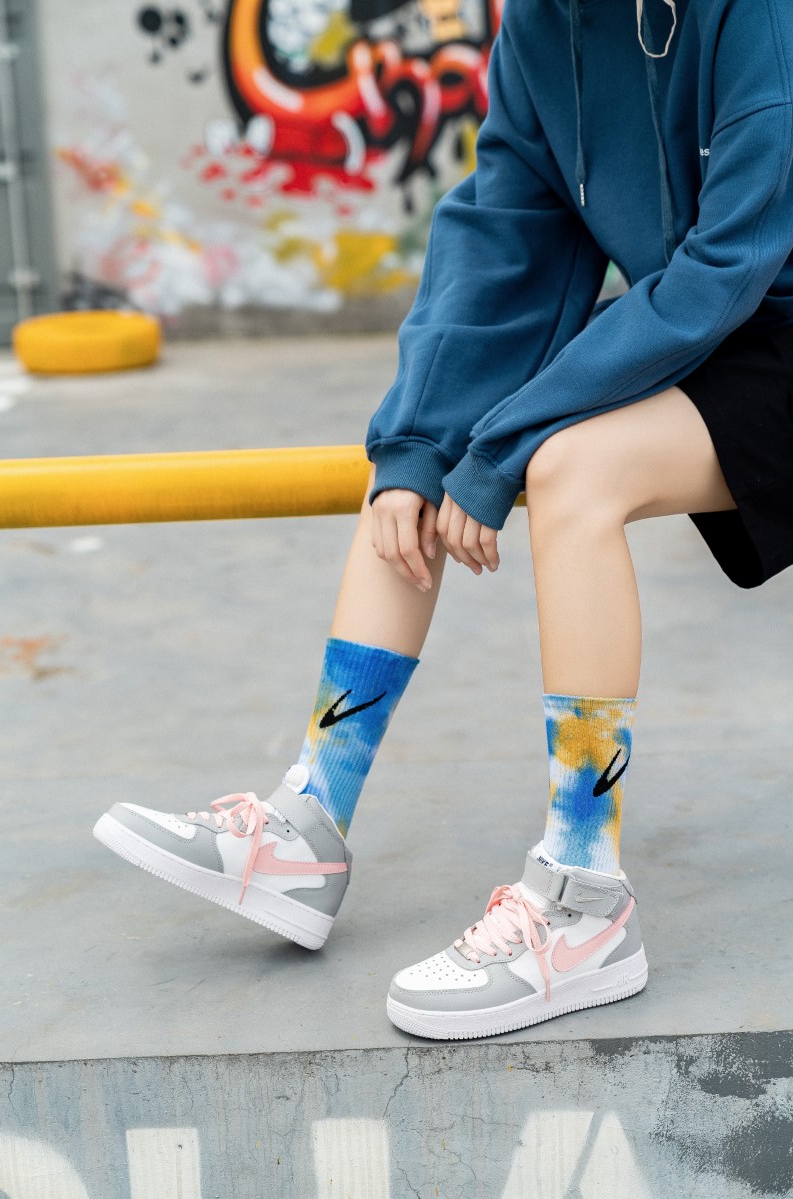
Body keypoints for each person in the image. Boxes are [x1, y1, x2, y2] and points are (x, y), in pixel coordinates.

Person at [93, 0, 793, 1040]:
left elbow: (733, 258)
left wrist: (508, 441)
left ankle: (585, 894)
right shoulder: (541, 28)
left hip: (755, 303)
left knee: (570, 469)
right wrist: (422, 444)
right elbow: (502, 238)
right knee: (417, 457)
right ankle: (306, 821)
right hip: (710, 317)